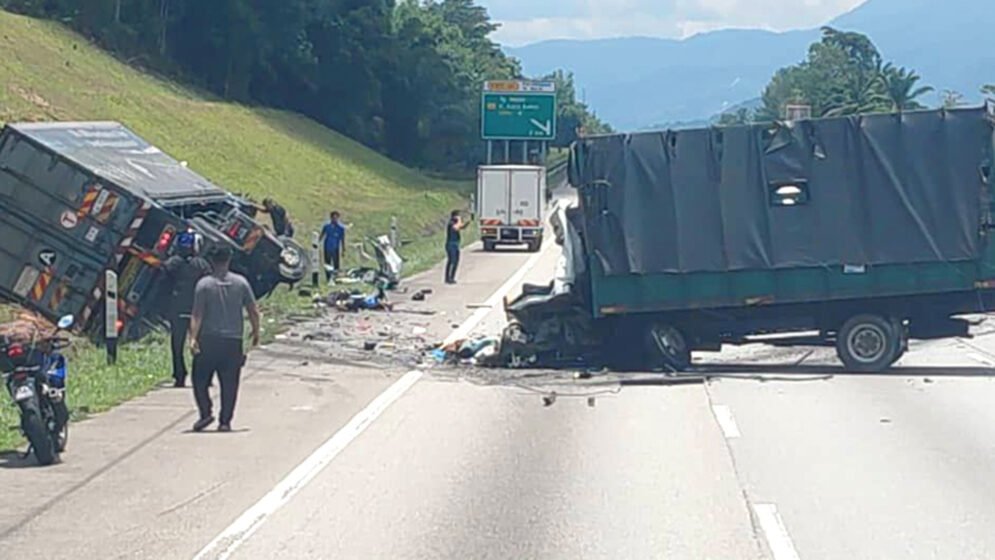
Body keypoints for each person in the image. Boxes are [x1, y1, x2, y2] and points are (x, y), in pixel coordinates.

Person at [188, 246, 260, 432]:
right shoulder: (241, 283)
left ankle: (205, 413)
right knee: (230, 384)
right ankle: (225, 421)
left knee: (199, 380)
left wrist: (193, 338)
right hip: (232, 341)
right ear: (229, 260)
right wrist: (256, 331)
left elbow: (197, 314)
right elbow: (253, 310)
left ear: (212, 261)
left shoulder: (203, 285)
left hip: (208, 340)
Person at [161, 231, 210, 388]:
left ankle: (179, 376)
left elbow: (162, 282)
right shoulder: (202, 264)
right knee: (200, 344)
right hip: (198, 311)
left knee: (177, 345)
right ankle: (204, 376)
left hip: (177, 309)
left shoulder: (172, 263)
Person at [445, 209, 471, 284]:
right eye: (458, 215)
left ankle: (452, 277)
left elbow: (462, 227)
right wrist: (459, 220)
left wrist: (468, 222)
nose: (459, 217)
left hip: (456, 245)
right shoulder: (451, 223)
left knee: (456, 261)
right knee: (451, 261)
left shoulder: (456, 223)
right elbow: (456, 227)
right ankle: (448, 278)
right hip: (450, 244)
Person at [319, 211, 347, 282]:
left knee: (336, 265)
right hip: (327, 247)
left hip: (335, 248)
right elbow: (321, 236)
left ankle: (336, 278)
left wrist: (343, 249)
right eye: (333, 218)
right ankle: (328, 278)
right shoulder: (326, 227)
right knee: (327, 264)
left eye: (336, 218)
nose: (335, 219)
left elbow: (342, 239)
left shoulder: (340, 228)